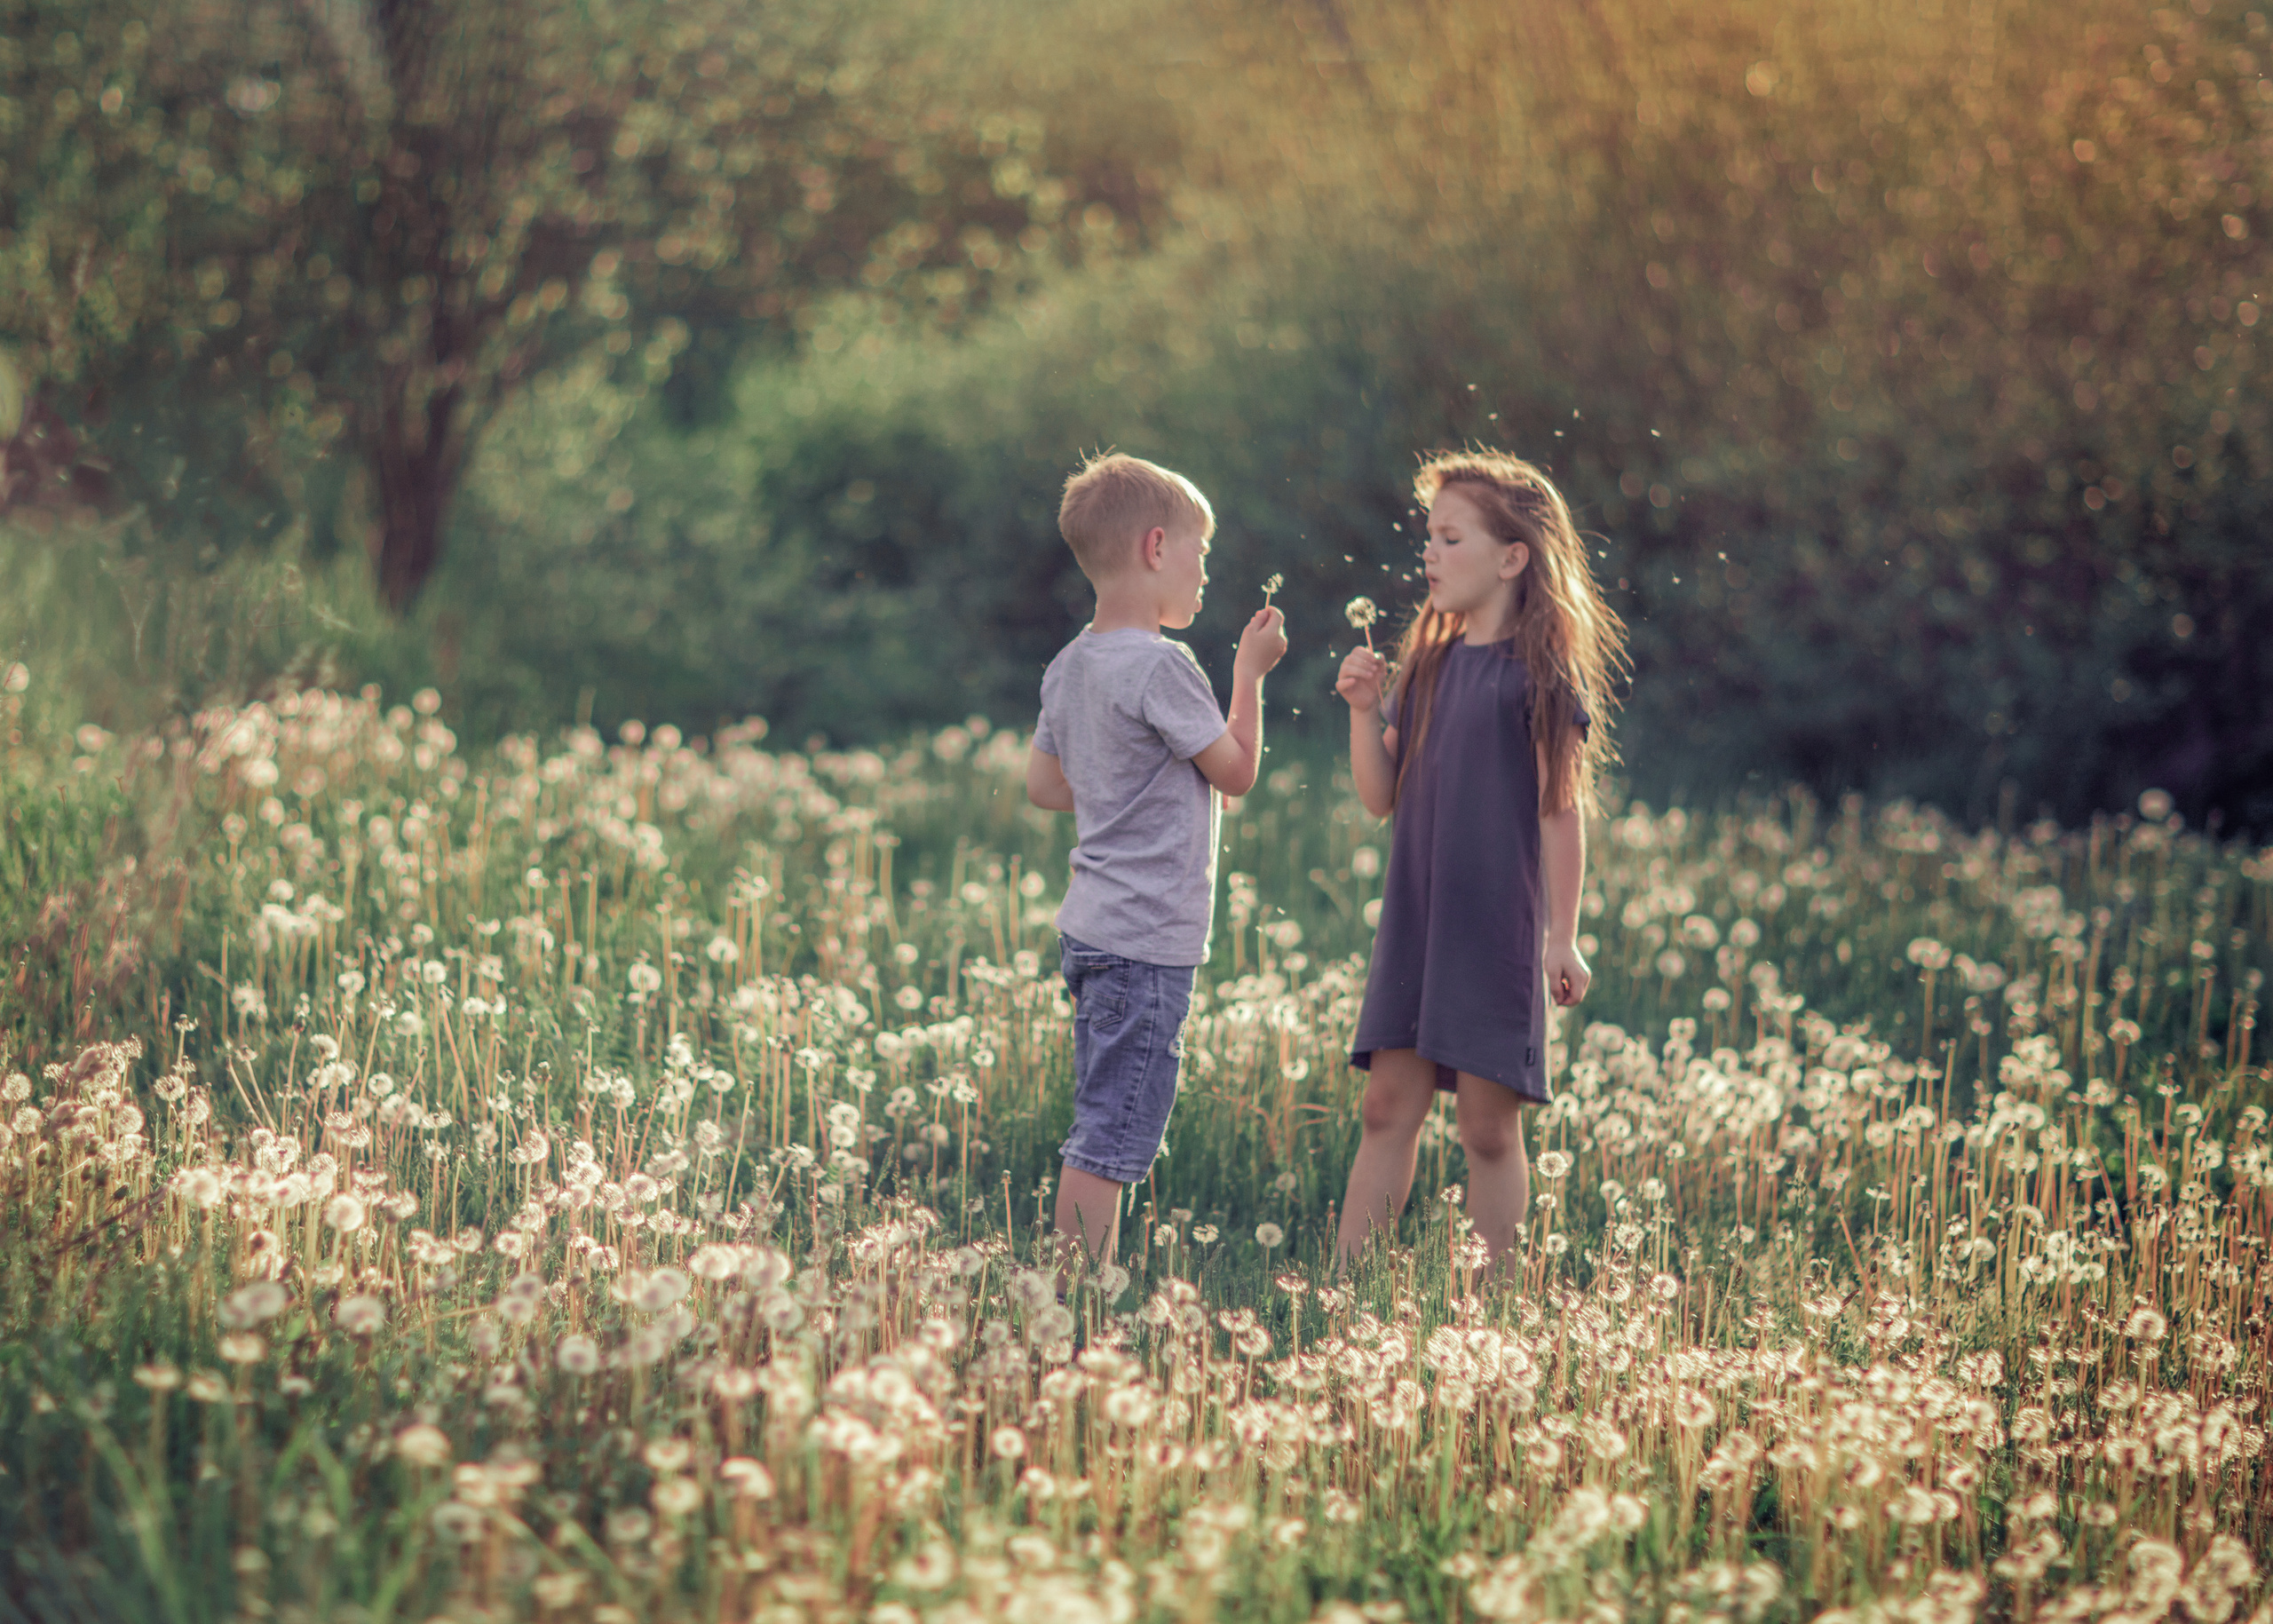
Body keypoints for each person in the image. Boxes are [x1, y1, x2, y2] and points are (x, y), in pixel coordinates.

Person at [1332, 449, 1626, 1272]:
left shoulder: (1538, 676)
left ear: (1511, 556)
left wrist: (1561, 936)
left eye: (1448, 536)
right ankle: (1344, 1289)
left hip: (1496, 927)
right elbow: (1380, 794)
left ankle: (1494, 1304)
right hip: (1419, 920)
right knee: (1387, 1104)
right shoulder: (1426, 662)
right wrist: (1363, 712)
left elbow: (1560, 812)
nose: (1427, 551)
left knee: (1489, 1127)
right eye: (1427, 535)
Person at [1026, 452, 1288, 1265]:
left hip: (1093, 930)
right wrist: (1250, 674)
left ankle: (1074, 1292)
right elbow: (1236, 772)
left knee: (1103, 1112)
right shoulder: (1163, 665)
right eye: (1200, 552)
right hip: (1146, 942)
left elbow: (1046, 786)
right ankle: (1071, 1299)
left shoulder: (1071, 662)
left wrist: (1119, 784)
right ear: (1154, 548)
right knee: (1111, 1133)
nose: (1206, 571)